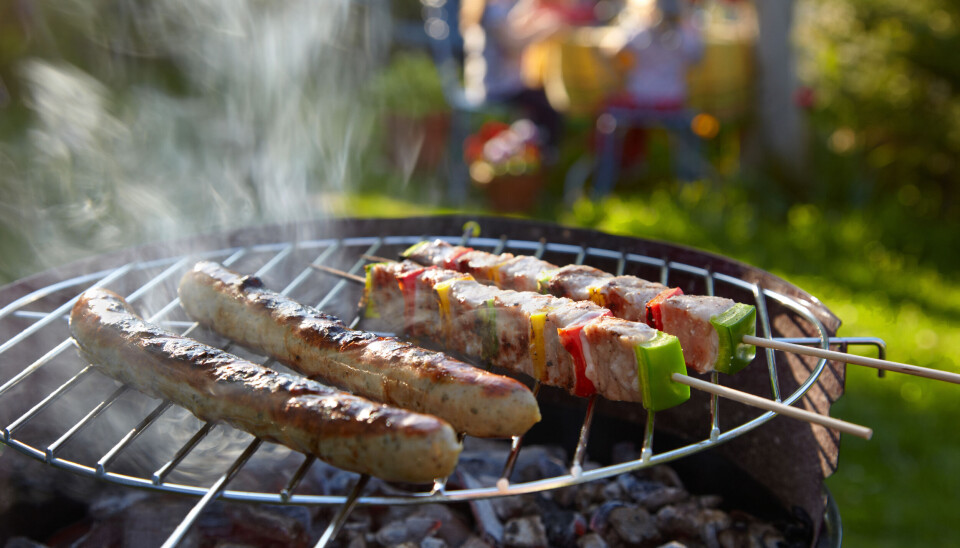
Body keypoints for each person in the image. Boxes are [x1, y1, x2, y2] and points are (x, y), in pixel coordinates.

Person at [461, 0, 567, 157]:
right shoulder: (491, 12)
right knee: (552, 101)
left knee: (543, 95)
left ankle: (535, 150)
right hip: (497, 88)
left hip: (487, 85)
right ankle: (544, 155)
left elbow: (513, 29)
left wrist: (534, 20)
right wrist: (546, 30)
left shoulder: (484, 9)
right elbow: (513, 45)